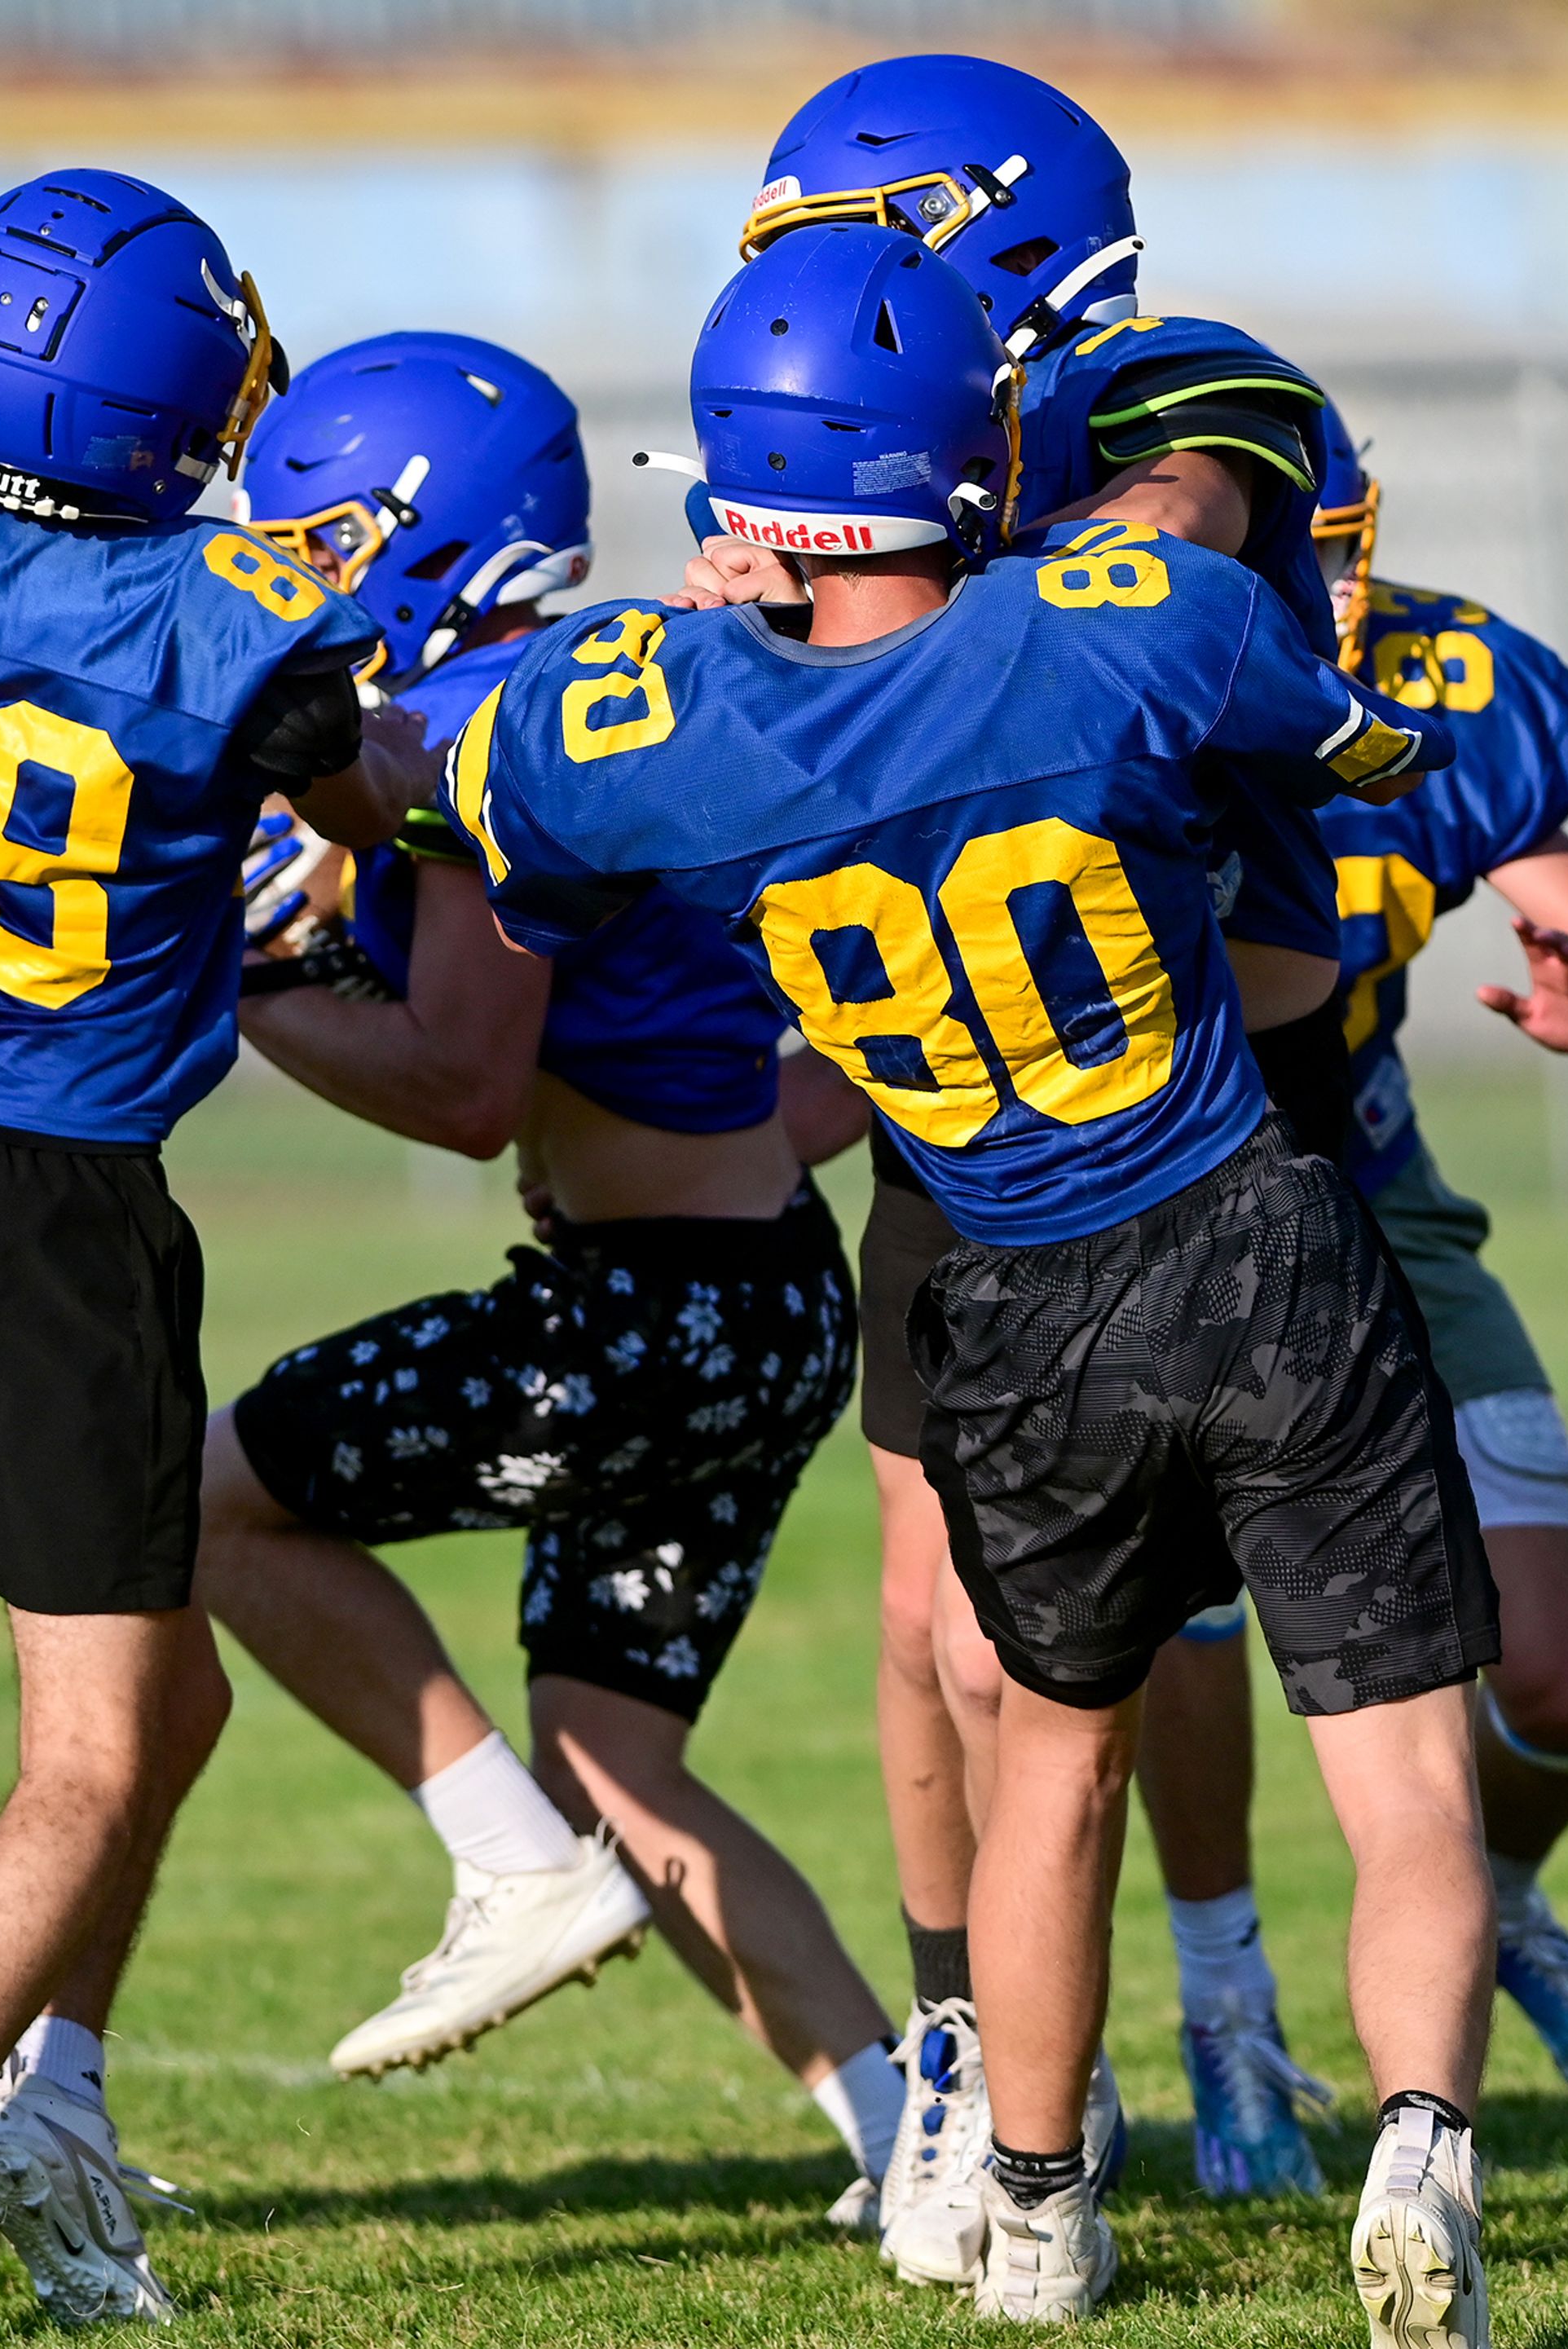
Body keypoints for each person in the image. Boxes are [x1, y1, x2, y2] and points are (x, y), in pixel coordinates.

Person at [456, 224, 1499, 2341]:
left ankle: (1031, 2207)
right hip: (1249, 1231)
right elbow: (1352, 741)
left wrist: (711, 640)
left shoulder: (656, 719)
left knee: (1053, 1767)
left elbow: (476, 804)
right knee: (1400, 1769)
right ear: (978, 439)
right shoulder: (1122, 625)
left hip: (1013, 1296)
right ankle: (1423, 2145)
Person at [685, 51, 1359, 2245]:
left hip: (1193, 1076)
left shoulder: (1177, 396)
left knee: (1168, 1616)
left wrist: (922, 580)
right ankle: (967, 2044)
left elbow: (1178, 529)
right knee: (936, 1627)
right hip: (954, 1092)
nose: (828, 293)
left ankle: (1228, 1981)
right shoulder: (877, 445)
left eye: (862, 244)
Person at [0, 173, 411, 2341]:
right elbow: (356, 783)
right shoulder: (227, 620)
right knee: (92, 1750)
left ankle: (60, 2111)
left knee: (171, 1684)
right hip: (54, 1213)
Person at [197, 332, 904, 2226]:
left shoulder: (494, 725)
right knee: (615, 1748)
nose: (279, 577)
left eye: (312, 541)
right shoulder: (621, 680)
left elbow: (460, 1080)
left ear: (404, 546)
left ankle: (500, 1860)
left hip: (647, 1313)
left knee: (207, 1500)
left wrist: (246, 984)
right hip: (760, 1286)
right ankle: (907, 2139)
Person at [1050, 407, 1568, 2118]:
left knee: (1554, 1677)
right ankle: (1225, 2000)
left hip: (1371, 1187)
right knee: (1185, 1625)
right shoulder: (1074, 674)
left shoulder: (1434, 690)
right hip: (1141, 1213)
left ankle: (1490, 1899)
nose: (1319, 587)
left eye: (1332, 545)